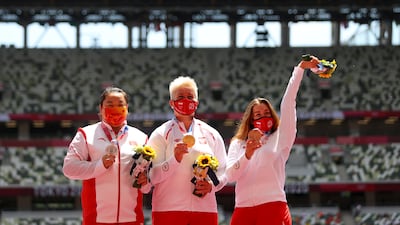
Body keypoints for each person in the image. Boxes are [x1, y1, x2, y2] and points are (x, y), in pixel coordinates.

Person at [225, 56, 321, 225]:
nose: (264, 117)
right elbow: (231, 176)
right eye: (258, 115)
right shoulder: (238, 143)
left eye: (267, 113)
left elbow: (288, 103)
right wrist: (247, 154)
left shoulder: (281, 136)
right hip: (243, 208)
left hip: (273, 206)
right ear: (251, 120)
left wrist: (299, 70)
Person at [63, 87, 151, 225]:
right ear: (101, 108)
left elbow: (147, 187)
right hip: (96, 219)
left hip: (132, 219)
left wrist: (145, 181)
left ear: (127, 108)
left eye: (120, 105)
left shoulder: (141, 138)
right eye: (110, 105)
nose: (115, 109)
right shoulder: (86, 135)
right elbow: (69, 168)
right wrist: (100, 165)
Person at [148, 76, 228, 225]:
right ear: (171, 103)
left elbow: (224, 171)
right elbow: (152, 176)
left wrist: (211, 185)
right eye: (180, 97)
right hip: (168, 210)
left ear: (196, 103)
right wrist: (174, 159)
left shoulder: (211, 134)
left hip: (205, 210)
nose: (186, 100)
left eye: (190, 97)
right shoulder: (160, 134)